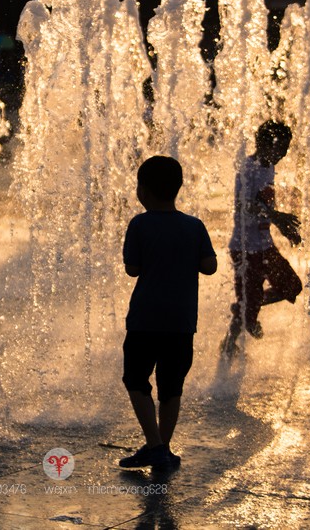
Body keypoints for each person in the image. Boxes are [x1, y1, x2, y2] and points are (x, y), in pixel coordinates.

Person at [119, 156, 217, 468]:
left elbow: (132, 268)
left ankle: (155, 445)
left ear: (143, 191)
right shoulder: (194, 226)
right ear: (177, 188)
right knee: (171, 387)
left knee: (136, 379)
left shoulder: (139, 224)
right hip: (181, 322)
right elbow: (210, 266)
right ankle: (162, 447)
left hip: (145, 320)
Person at [221, 120, 303, 359]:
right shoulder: (250, 168)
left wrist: (282, 227)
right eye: (282, 148)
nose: (285, 154)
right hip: (246, 249)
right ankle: (229, 343)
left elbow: (263, 206)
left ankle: (246, 307)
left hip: (265, 246)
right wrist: (276, 217)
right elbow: (244, 204)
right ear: (268, 145)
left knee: (291, 286)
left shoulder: (268, 167)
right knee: (249, 303)